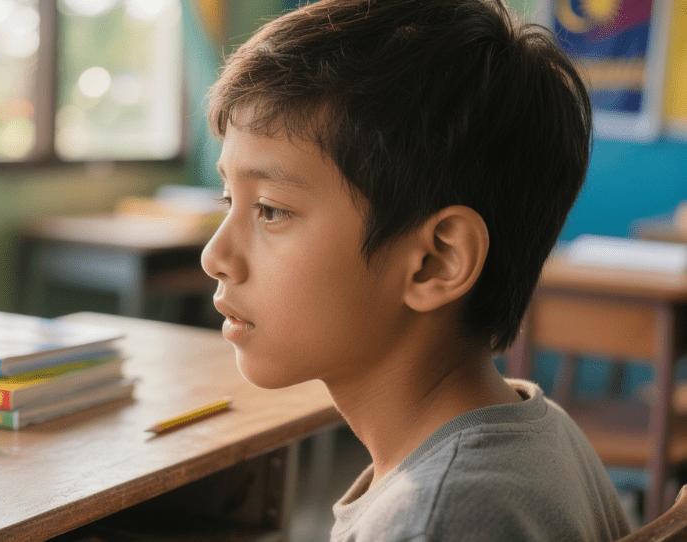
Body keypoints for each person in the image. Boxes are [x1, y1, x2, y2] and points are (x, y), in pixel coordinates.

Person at [199, 0, 632, 540]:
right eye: (227, 198)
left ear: (436, 262)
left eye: (270, 209)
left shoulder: (431, 521)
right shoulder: (538, 427)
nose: (214, 256)